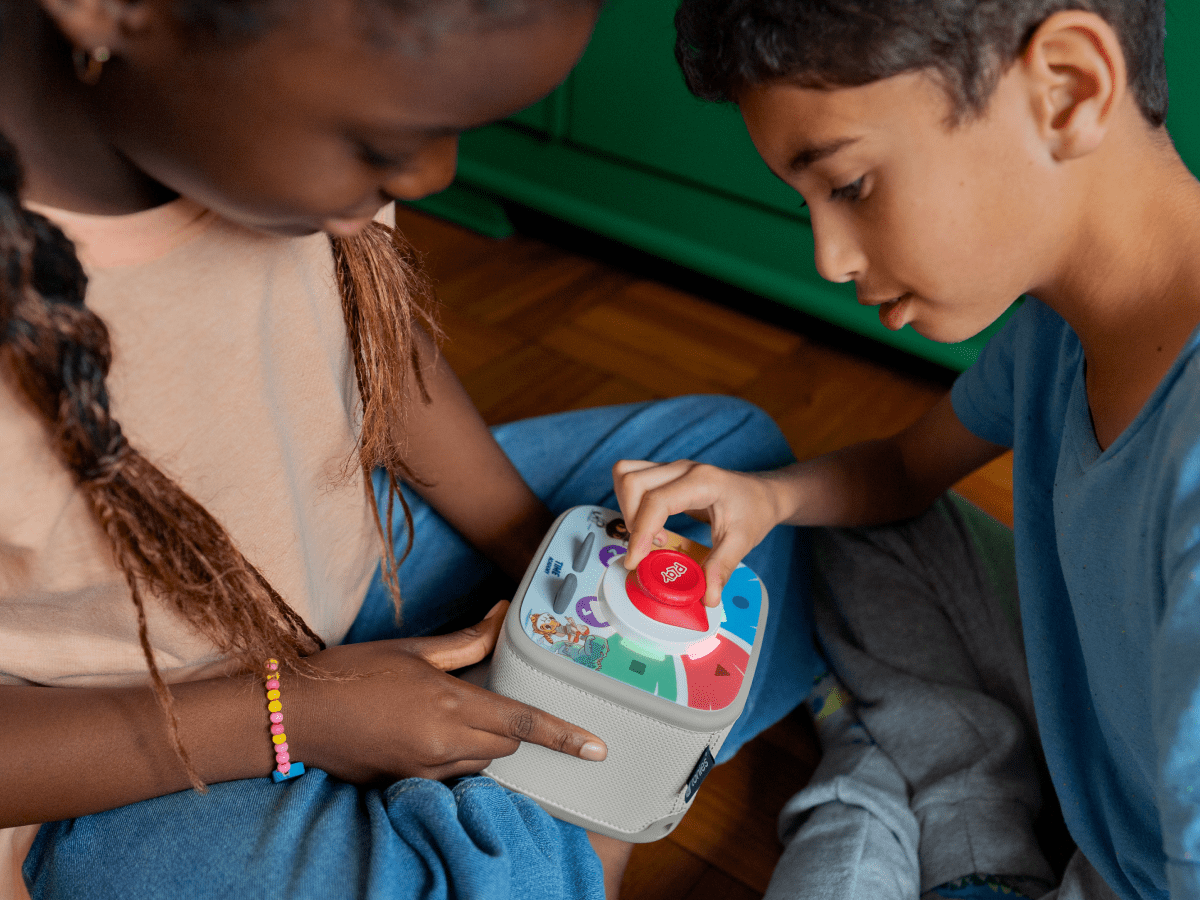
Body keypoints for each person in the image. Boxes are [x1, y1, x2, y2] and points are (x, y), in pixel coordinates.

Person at [0, 1, 825, 898]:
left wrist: (548, 576)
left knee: (733, 470)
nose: (437, 176)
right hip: (120, 763)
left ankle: (552, 820)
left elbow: (367, 356)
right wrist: (295, 718)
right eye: (392, 144)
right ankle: (585, 813)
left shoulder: (285, 104)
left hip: (363, 591)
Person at [613, 1, 1199, 898]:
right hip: (1115, 769)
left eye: (848, 186)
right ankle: (949, 789)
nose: (829, 257)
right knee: (844, 530)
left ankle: (912, 793)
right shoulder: (1058, 324)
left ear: (1068, 89)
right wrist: (766, 499)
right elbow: (900, 474)